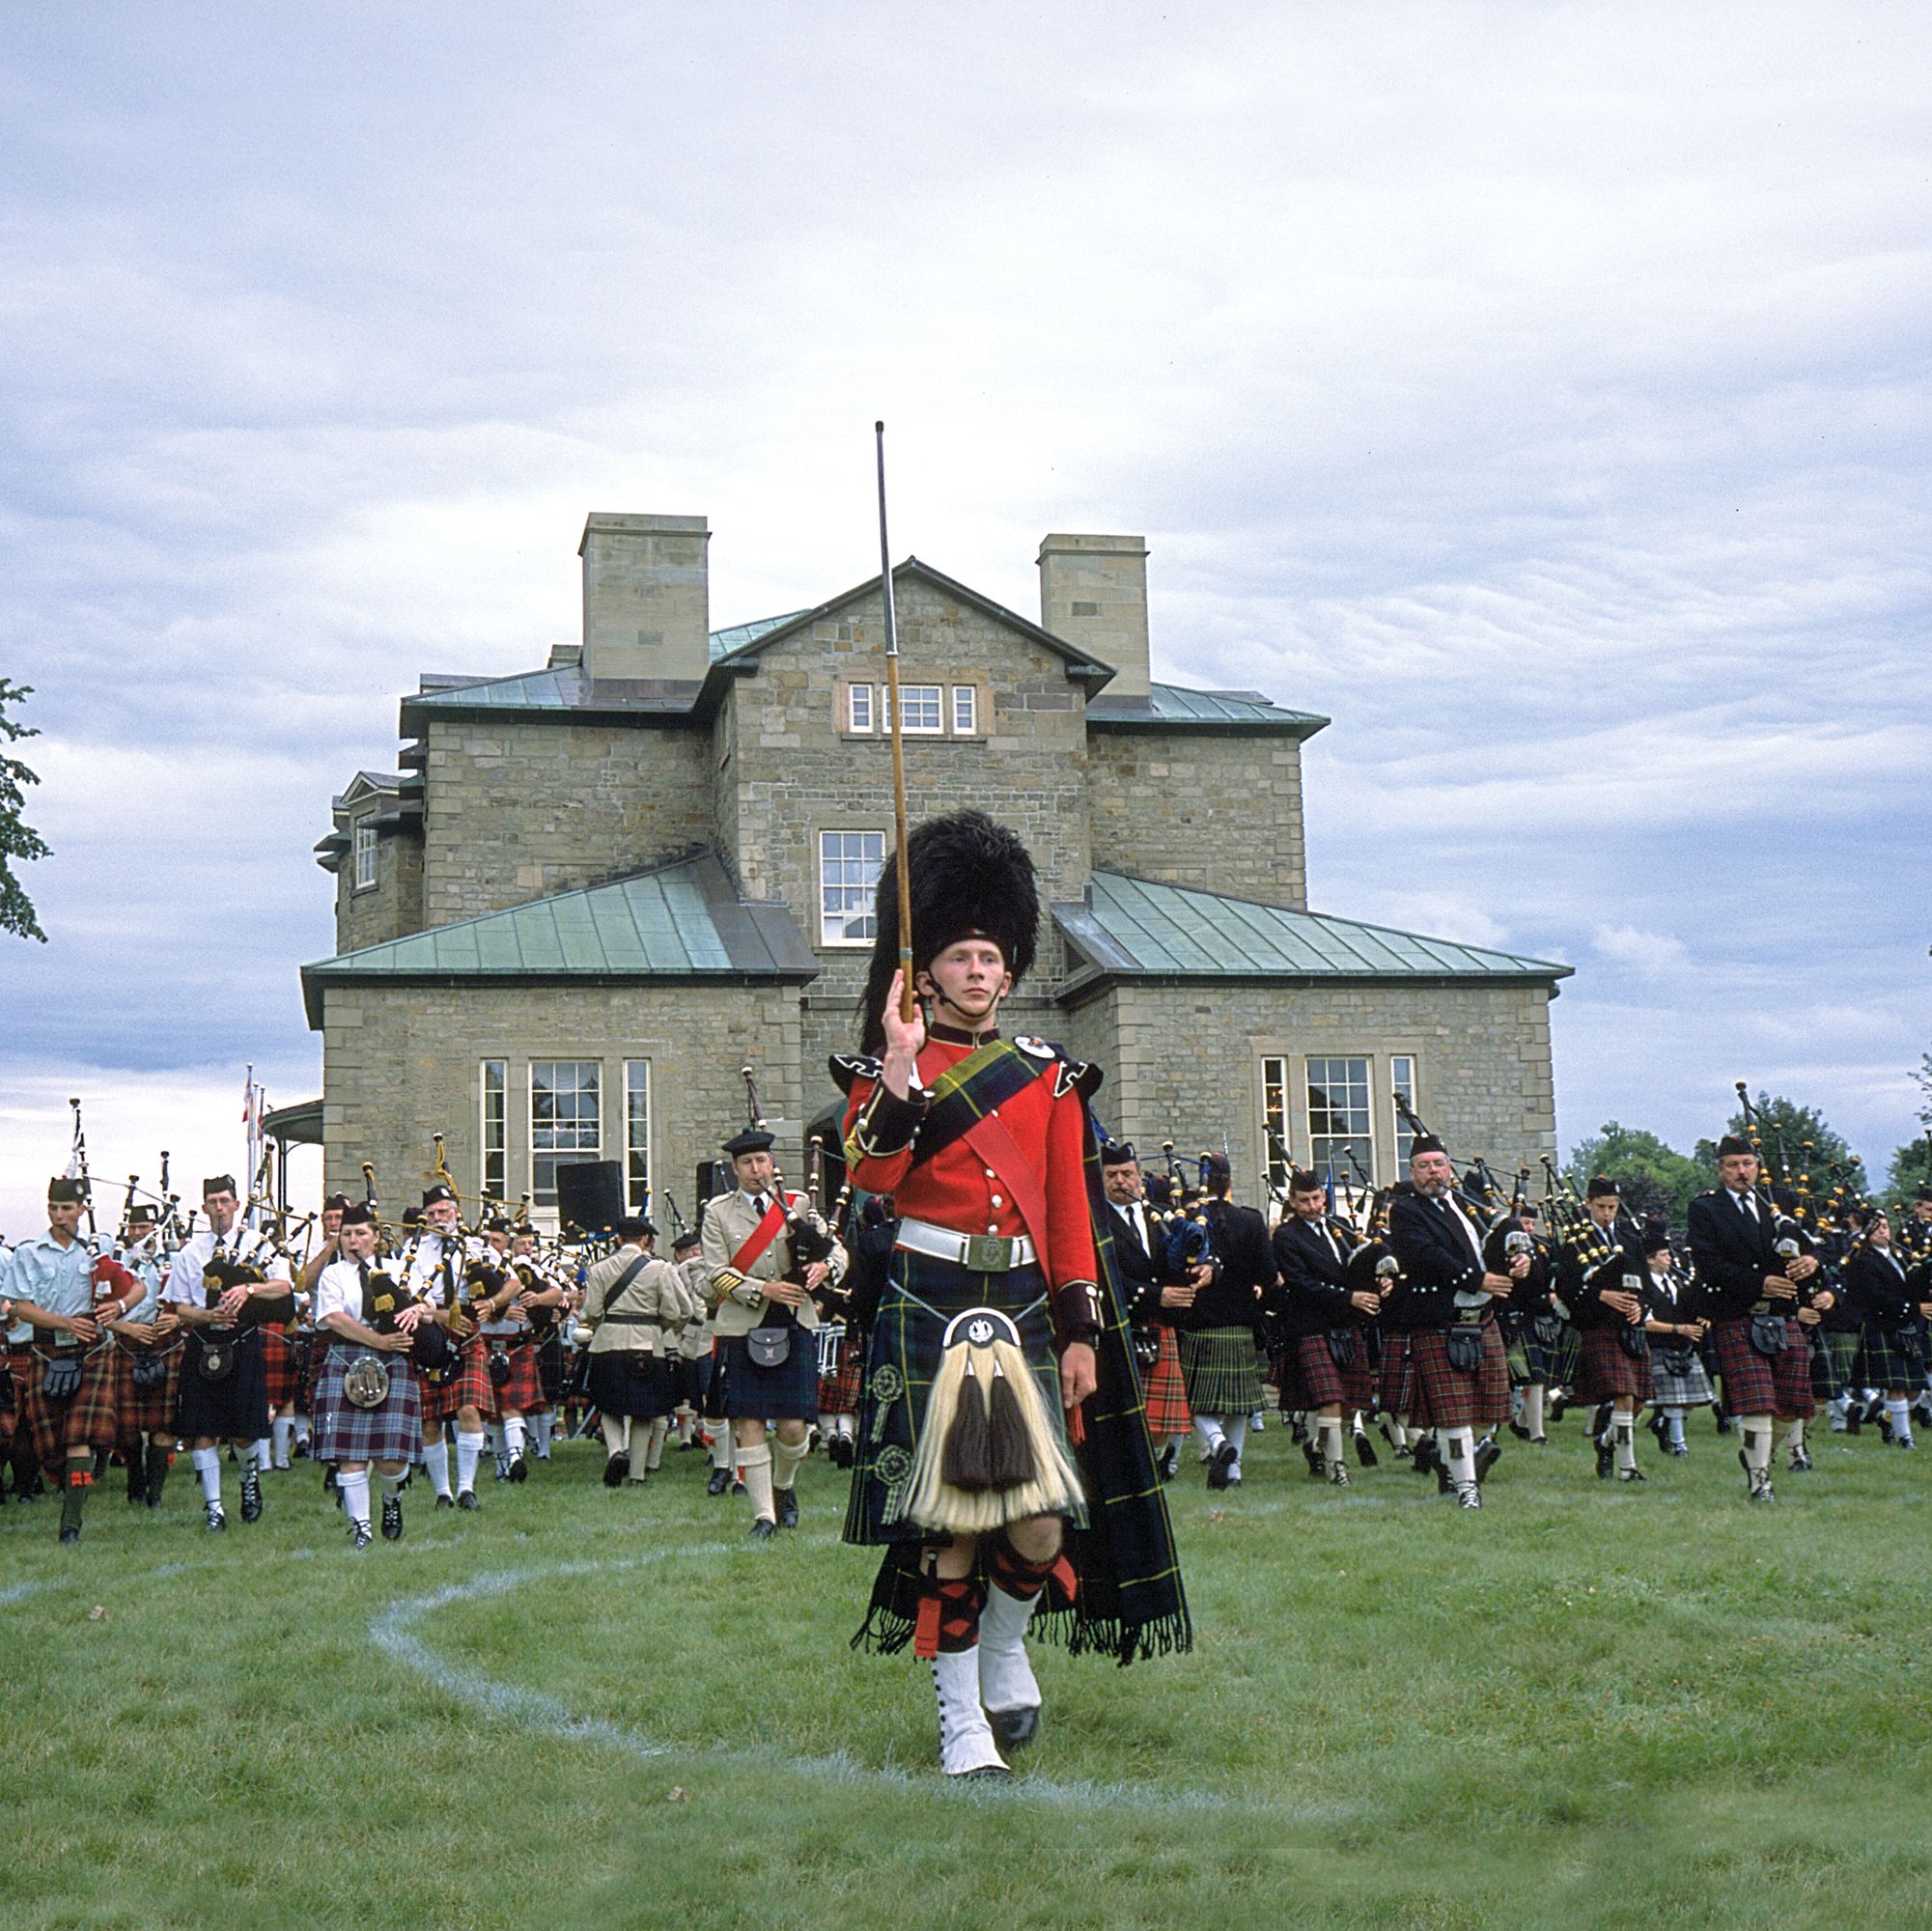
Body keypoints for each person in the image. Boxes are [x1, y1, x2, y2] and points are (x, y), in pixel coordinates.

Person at [839, 809, 1188, 1780]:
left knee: (1037, 1520)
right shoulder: (892, 1075)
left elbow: (1071, 1219)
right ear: (932, 971)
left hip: (1029, 1305)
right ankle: (961, 1723)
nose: (980, 970)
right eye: (961, 955)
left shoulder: (1047, 1075)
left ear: (1010, 964)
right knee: (951, 1522)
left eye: (992, 954)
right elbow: (869, 1180)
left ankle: (1003, 1643)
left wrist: (1081, 1332)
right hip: (931, 1296)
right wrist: (901, 1068)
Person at [700, 1126, 846, 1538]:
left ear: (771, 1164)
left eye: (762, 1161)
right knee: (748, 1421)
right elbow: (715, 1273)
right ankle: (763, 1515)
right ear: (735, 1169)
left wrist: (825, 1267)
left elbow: (837, 1250)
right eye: (747, 1163)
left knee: (794, 1426)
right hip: (743, 1325)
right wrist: (762, 1288)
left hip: (793, 1321)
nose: (756, 1170)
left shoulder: (797, 1204)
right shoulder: (719, 1213)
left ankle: (784, 1489)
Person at [1387, 1138, 1526, 1508]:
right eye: (1424, 1165)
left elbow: (1496, 1239)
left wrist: (1519, 1258)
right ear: (1412, 1172)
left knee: (1487, 1412)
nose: (1434, 1171)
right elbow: (1423, 1254)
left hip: (1482, 1318)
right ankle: (1467, 1489)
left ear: (1449, 1168)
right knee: (1453, 1415)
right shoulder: (1405, 1211)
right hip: (1438, 1319)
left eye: (1439, 1163)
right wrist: (1475, 1279)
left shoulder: (1466, 1204)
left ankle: (1452, 1467)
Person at [2, 1177, 142, 1543]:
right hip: (46, 1350)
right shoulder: (29, 1253)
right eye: (54, 1208)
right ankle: (72, 1481)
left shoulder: (100, 1249)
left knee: (79, 1437)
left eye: (66, 1208)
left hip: (92, 1352)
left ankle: (70, 1524)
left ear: (82, 1210)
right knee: (51, 1445)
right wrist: (65, 1322)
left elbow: (138, 1285)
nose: (59, 1215)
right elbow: (20, 1307)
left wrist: (120, 1306)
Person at [1687, 1136, 1824, 1502]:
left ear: (1757, 1166)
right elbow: (1708, 1264)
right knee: (1757, 1403)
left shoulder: (1780, 1203)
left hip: (1783, 1315)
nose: (1741, 1171)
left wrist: (1812, 1262)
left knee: (1793, 1405)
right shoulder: (1706, 1209)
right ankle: (1760, 1483)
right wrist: (1759, 1281)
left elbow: (1810, 1244)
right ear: (1721, 1170)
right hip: (1737, 1314)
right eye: (1732, 1165)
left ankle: (1759, 1454)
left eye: (1747, 1163)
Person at [163, 1175, 293, 1531]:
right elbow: (178, 1308)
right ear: (204, 1207)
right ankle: (214, 1509)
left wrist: (249, 1289)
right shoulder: (190, 1253)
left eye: (225, 1201)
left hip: (243, 1344)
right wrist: (207, 1316)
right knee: (202, 1431)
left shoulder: (259, 1243)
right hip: (203, 1346)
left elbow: (284, 1286)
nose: (219, 1208)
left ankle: (249, 1482)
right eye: (212, 1202)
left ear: (236, 1205)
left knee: (244, 1433)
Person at [311, 1202, 427, 1548]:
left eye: (360, 1233)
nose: (352, 1240)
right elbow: (333, 1318)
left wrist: (418, 1309)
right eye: (346, 1234)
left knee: (390, 1460)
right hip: (348, 1358)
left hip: (393, 1362)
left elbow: (428, 1304)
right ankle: (361, 1528)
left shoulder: (399, 1268)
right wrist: (379, 1340)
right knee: (351, 1455)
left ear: (376, 1237)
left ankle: (392, 1498)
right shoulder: (334, 1274)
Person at [1173, 1153, 1277, 1491]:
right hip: (1242, 1320)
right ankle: (1234, 1472)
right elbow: (1266, 1272)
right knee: (1239, 1405)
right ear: (1229, 1183)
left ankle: (1218, 1443)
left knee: (1196, 1399)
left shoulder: (1188, 1218)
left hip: (1200, 1320)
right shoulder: (1250, 1219)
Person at [1272, 1168, 1381, 1487]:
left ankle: (1316, 1446)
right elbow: (1300, 1283)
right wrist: (1349, 1298)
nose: (1312, 1206)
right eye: (1303, 1201)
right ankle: (1338, 1468)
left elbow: (1358, 1266)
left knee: (1349, 1405)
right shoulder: (1287, 1236)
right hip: (1311, 1326)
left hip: (1345, 1325)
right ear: (1292, 1201)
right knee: (1330, 1399)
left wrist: (1379, 1280)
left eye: (1316, 1198)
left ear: (1324, 1197)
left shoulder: (1341, 1227)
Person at [1100, 1141, 1197, 1480]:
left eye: (1127, 1173)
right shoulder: (1094, 1220)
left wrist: (1208, 1267)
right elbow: (1103, 1275)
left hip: (1161, 1326)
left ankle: (1152, 1467)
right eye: (1111, 1175)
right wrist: (1157, 1296)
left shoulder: (1159, 1214)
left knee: (1160, 1421)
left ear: (1140, 1176)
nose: (1120, 1181)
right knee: (1123, 1413)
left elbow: (1197, 1247)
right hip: (1120, 1324)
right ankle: (1132, 1472)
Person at [579, 1215, 698, 1486]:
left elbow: (593, 1311)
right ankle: (637, 1474)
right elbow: (679, 1311)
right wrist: (660, 1328)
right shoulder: (661, 1268)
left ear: (618, 1239)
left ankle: (615, 1451)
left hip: (608, 1344)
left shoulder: (598, 1269)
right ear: (645, 1240)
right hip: (648, 1346)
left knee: (609, 1406)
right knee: (644, 1410)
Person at [1562, 1178, 1654, 1484]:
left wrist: (1640, 1306)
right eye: (1600, 1207)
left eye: (1612, 1207)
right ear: (1588, 1204)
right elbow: (1566, 1286)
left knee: (1639, 1400)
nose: (1606, 1213)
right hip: (1598, 1326)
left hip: (1630, 1327)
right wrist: (1601, 1295)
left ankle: (1605, 1442)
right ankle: (1628, 1468)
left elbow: (1647, 1285)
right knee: (1624, 1395)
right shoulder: (1574, 1241)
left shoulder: (1630, 1239)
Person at [108, 1202, 186, 1508]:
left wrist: (179, 1319)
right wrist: (125, 1327)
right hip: (128, 1342)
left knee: (164, 1425)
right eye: (134, 1228)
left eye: (145, 1228)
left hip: (165, 1342)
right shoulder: (117, 1263)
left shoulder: (177, 1259)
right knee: (127, 1428)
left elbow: (194, 1299)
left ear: (157, 1228)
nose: (139, 1234)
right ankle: (135, 1476)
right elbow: (96, 1307)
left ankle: (154, 1494)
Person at [1842, 1212, 1931, 1449]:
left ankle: (1885, 1417)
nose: (1884, 1231)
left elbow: (1909, 1287)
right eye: (1877, 1228)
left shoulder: (1897, 1258)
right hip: (1882, 1327)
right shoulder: (1863, 1262)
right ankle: (1906, 1439)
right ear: (1867, 1234)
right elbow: (1878, 1296)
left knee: (1915, 1390)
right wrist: (1913, 1309)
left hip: (1904, 1328)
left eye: (1885, 1226)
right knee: (1897, 1387)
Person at [1638, 1231, 1711, 1456]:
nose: (1669, 1259)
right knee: (1675, 1403)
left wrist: (1701, 1318)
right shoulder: (1643, 1286)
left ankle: (1662, 1424)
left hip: (1682, 1347)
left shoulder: (1675, 1282)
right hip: (1658, 1347)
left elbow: (1686, 1309)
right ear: (1650, 1259)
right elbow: (1645, 1323)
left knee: (1688, 1401)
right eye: (1663, 1255)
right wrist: (1678, 1329)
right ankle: (1679, 1444)